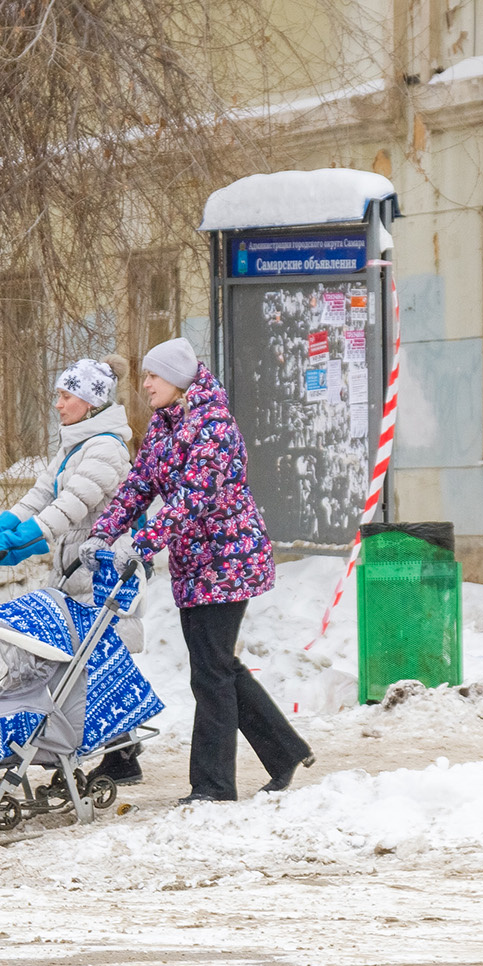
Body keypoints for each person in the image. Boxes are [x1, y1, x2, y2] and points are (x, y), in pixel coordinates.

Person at [81, 337, 313, 803]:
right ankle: (284, 751)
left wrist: (141, 546)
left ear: (180, 379)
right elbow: (139, 485)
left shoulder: (213, 427)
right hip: (197, 564)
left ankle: (213, 786)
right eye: (145, 376)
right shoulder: (167, 427)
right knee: (217, 665)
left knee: (210, 671)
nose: (145, 385)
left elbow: (193, 499)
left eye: (154, 376)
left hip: (229, 560)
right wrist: (103, 533)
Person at [0, 355, 145, 785]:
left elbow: (68, 507)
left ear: (90, 401)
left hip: (104, 567)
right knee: (88, 657)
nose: (57, 404)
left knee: (95, 655)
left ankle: (118, 752)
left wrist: (24, 541)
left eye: (66, 396)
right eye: (58, 396)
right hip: (76, 564)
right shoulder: (75, 444)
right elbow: (40, 495)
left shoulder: (106, 448)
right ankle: (121, 749)